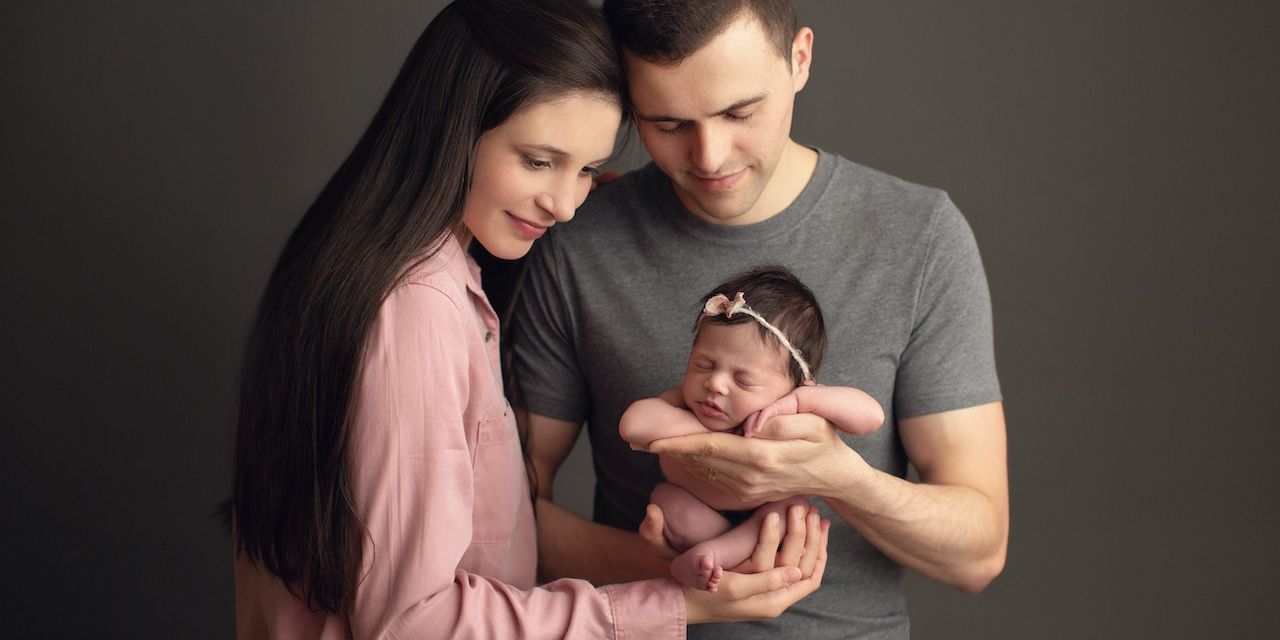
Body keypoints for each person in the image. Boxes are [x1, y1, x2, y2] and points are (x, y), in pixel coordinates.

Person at [228, 1, 830, 638]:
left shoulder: (381, 264)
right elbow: (411, 623)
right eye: (540, 161)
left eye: (587, 168)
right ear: (452, 127)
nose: (568, 206)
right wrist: (678, 605)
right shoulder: (414, 309)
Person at [511, 1, 1009, 637]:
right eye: (666, 124)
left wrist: (838, 478)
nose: (710, 156)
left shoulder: (920, 237)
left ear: (800, 59)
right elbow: (510, 512)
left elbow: (979, 553)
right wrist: (687, 576)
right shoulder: (580, 239)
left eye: (740, 113)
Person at [619, 267, 884, 593]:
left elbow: (872, 416)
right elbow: (633, 424)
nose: (714, 383)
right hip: (695, 514)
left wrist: (807, 399)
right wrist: (708, 434)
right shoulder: (683, 404)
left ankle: (713, 557)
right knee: (664, 502)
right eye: (703, 364)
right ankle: (707, 557)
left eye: (743, 380)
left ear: (794, 385)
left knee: (794, 510)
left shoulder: (793, 405)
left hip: (761, 523)